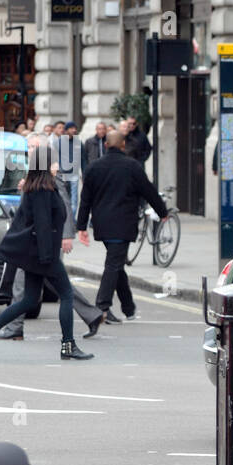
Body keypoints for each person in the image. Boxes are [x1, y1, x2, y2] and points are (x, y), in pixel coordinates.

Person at [0, 160, 93, 361]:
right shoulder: (42, 191)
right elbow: (43, 225)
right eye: (53, 163)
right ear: (45, 167)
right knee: (66, 294)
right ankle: (68, 346)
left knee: (29, 299)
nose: (57, 166)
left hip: (36, 254)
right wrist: (47, 258)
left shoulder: (40, 188)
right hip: (43, 255)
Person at [77, 128, 168, 323]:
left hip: (102, 224)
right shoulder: (132, 166)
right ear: (124, 145)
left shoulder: (93, 167)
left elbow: (85, 199)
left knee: (116, 264)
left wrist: (81, 226)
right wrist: (163, 213)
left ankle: (128, 308)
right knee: (114, 264)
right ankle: (101, 308)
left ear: (106, 145)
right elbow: (149, 191)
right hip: (123, 224)